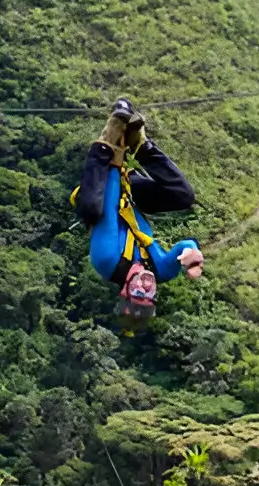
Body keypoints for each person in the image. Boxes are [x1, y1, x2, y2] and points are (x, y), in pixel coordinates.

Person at [73, 99, 203, 321]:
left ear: (125, 291)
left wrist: (116, 156)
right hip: (132, 198)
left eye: (139, 292)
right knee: (183, 196)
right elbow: (184, 247)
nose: (146, 285)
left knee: (92, 210)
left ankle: (105, 143)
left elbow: (110, 211)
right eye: (150, 294)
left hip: (103, 189)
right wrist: (192, 255)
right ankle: (141, 145)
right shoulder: (161, 270)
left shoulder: (107, 260)